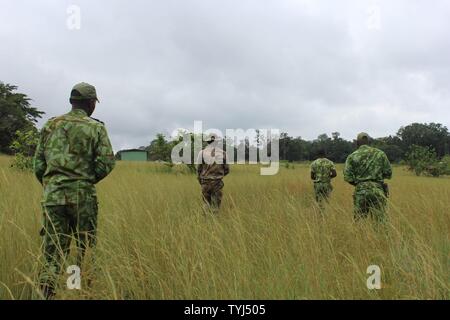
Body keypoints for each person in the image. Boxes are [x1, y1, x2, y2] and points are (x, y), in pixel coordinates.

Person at [33, 82, 115, 299]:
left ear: (71, 102)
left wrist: (53, 185)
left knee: (52, 252)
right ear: (91, 104)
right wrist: (85, 180)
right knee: (81, 250)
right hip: (83, 199)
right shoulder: (96, 128)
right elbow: (107, 163)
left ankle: (46, 294)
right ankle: (74, 291)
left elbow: (39, 165)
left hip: (53, 198)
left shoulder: (51, 125)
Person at [344, 132, 392, 223]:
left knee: (359, 222)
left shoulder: (352, 156)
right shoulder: (380, 154)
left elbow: (347, 177)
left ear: (357, 143)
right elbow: (388, 173)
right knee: (380, 222)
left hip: (360, 191)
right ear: (369, 141)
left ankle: (360, 237)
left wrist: (361, 184)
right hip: (378, 190)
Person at [196, 133, 230, 213]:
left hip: (205, 183)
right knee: (216, 207)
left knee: (206, 204)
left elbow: (198, 169)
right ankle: (215, 224)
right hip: (217, 183)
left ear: (207, 142)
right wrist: (218, 176)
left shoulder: (202, 153)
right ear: (217, 142)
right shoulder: (223, 153)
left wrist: (201, 180)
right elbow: (227, 170)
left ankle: (205, 223)